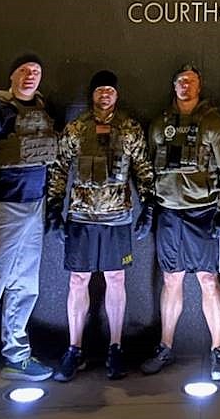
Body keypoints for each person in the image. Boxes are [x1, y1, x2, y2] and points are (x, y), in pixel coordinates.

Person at [46, 70, 155, 382]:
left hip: (117, 217)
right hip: (80, 216)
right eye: (99, 90)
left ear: (116, 94)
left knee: (116, 279)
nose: (105, 94)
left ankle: (115, 347)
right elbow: (59, 166)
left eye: (110, 89)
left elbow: (143, 167)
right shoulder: (77, 128)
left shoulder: (129, 128)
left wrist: (148, 204)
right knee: (78, 281)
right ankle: (74, 348)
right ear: (91, 94)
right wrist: (54, 206)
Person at [0, 53, 57, 406]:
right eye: (25, 71)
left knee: (25, 285)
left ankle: (17, 354)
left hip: (34, 208)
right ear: (12, 75)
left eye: (36, 71)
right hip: (2, 208)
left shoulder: (42, 110)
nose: (31, 76)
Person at [138, 64, 220, 381]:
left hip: (203, 212)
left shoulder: (213, 123)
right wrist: (150, 206)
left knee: (208, 280)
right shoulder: (158, 125)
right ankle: (165, 347)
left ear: (199, 85)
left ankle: (218, 350)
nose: (185, 85)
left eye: (190, 81)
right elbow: (149, 167)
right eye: (180, 80)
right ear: (173, 86)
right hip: (169, 212)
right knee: (171, 280)